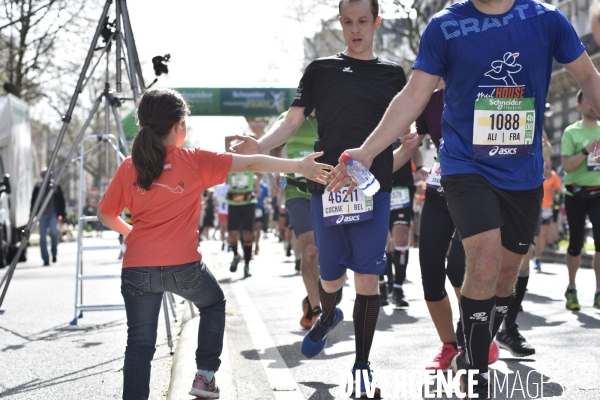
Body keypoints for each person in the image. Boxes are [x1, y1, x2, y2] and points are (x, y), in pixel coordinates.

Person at [329, 0, 600, 396]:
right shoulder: (445, 26)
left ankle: (470, 351)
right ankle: (477, 374)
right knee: (484, 260)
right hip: (465, 167)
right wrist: (368, 151)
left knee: (506, 275)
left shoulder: (545, 18)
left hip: (522, 172)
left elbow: (588, 76)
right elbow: (413, 95)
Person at [96, 88, 330, 400]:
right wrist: (299, 166)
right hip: (184, 267)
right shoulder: (194, 161)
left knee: (139, 343)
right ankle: (204, 376)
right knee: (213, 303)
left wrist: (131, 233)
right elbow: (250, 164)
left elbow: (104, 213)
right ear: (179, 126)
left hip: (138, 267)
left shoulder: (128, 166)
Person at [232, 0, 406, 395]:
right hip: (325, 187)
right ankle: (327, 317)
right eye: (348, 22)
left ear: (377, 22)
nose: (356, 29)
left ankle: (362, 367)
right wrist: (258, 145)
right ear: (340, 22)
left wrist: (411, 141)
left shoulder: (394, 75)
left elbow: (405, 121)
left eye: (363, 21)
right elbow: (293, 120)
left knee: (367, 278)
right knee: (330, 278)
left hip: (371, 188)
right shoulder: (320, 70)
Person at [272, 111, 322, 328]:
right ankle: (318, 310)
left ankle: (315, 298)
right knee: (310, 250)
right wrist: (279, 169)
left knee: (331, 252)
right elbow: (275, 144)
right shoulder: (289, 116)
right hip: (297, 191)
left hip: (329, 191)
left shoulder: (331, 113)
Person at [561, 90, 600, 311]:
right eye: (588, 101)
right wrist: (587, 150)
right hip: (575, 194)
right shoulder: (571, 132)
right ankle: (572, 287)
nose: (593, 105)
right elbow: (567, 167)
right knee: (575, 244)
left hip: (599, 194)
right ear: (579, 107)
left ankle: (599, 291)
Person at [226, 167, 261, 278]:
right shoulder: (230, 173)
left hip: (248, 206)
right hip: (233, 206)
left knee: (247, 234)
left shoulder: (253, 176)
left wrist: (253, 195)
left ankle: (246, 264)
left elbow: (258, 193)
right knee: (232, 235)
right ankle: (236, 255)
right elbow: (225, 186)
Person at [31, 168, 66, 266]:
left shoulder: (55, 187)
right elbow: (33, 202)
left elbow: (61, 201)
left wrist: (62, 215)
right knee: (42, 238)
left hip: (53, 214)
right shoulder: (38, 187)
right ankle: (45, 258)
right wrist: (32, 215)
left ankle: (54, 253)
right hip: (42, 215)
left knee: (54, 233)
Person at [532, 157, 562, 271]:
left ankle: (538, 258)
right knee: (535, 235)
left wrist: (555, 192)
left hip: (546, 208)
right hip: (535, 207)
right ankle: (531, 257)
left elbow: (559, 190)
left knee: (542, 235)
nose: (547, 164)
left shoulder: (553, 175)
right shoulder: (535, 172)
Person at [253, 173, 269, 255]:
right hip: (251, 208)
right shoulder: (251, 184)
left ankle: (256, 245)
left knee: (258, 228)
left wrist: (267, 201)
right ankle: (251, 245)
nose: (258, 176)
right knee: (252, 229)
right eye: (257, 174)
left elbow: (267, 197)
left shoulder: (264, 187)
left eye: (260, 175)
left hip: (260, 208)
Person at [213, 182, 229, 250]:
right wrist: (216, 206)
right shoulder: (219, 187)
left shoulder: (233, 186)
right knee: (223, 227)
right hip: (222, 210)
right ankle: (223, 242)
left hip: (232, 210)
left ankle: (229, 243)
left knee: (230, 228)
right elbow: (215, 197)